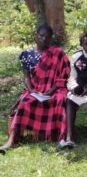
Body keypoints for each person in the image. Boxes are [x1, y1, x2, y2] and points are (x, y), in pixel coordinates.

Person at [1, 25, 70, 154]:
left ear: (50, 39)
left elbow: (64, 74)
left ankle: (62, 138)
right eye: (41, 36)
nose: (44, 39)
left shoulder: (57, 53)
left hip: (54, 89)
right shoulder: (26, 55)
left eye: (47, 37)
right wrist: (31, 90)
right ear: (36, 36)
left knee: (60, 99)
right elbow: (26, 77)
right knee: (25, 101)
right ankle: (11, 140)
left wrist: (53, 89)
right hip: (36, 89)